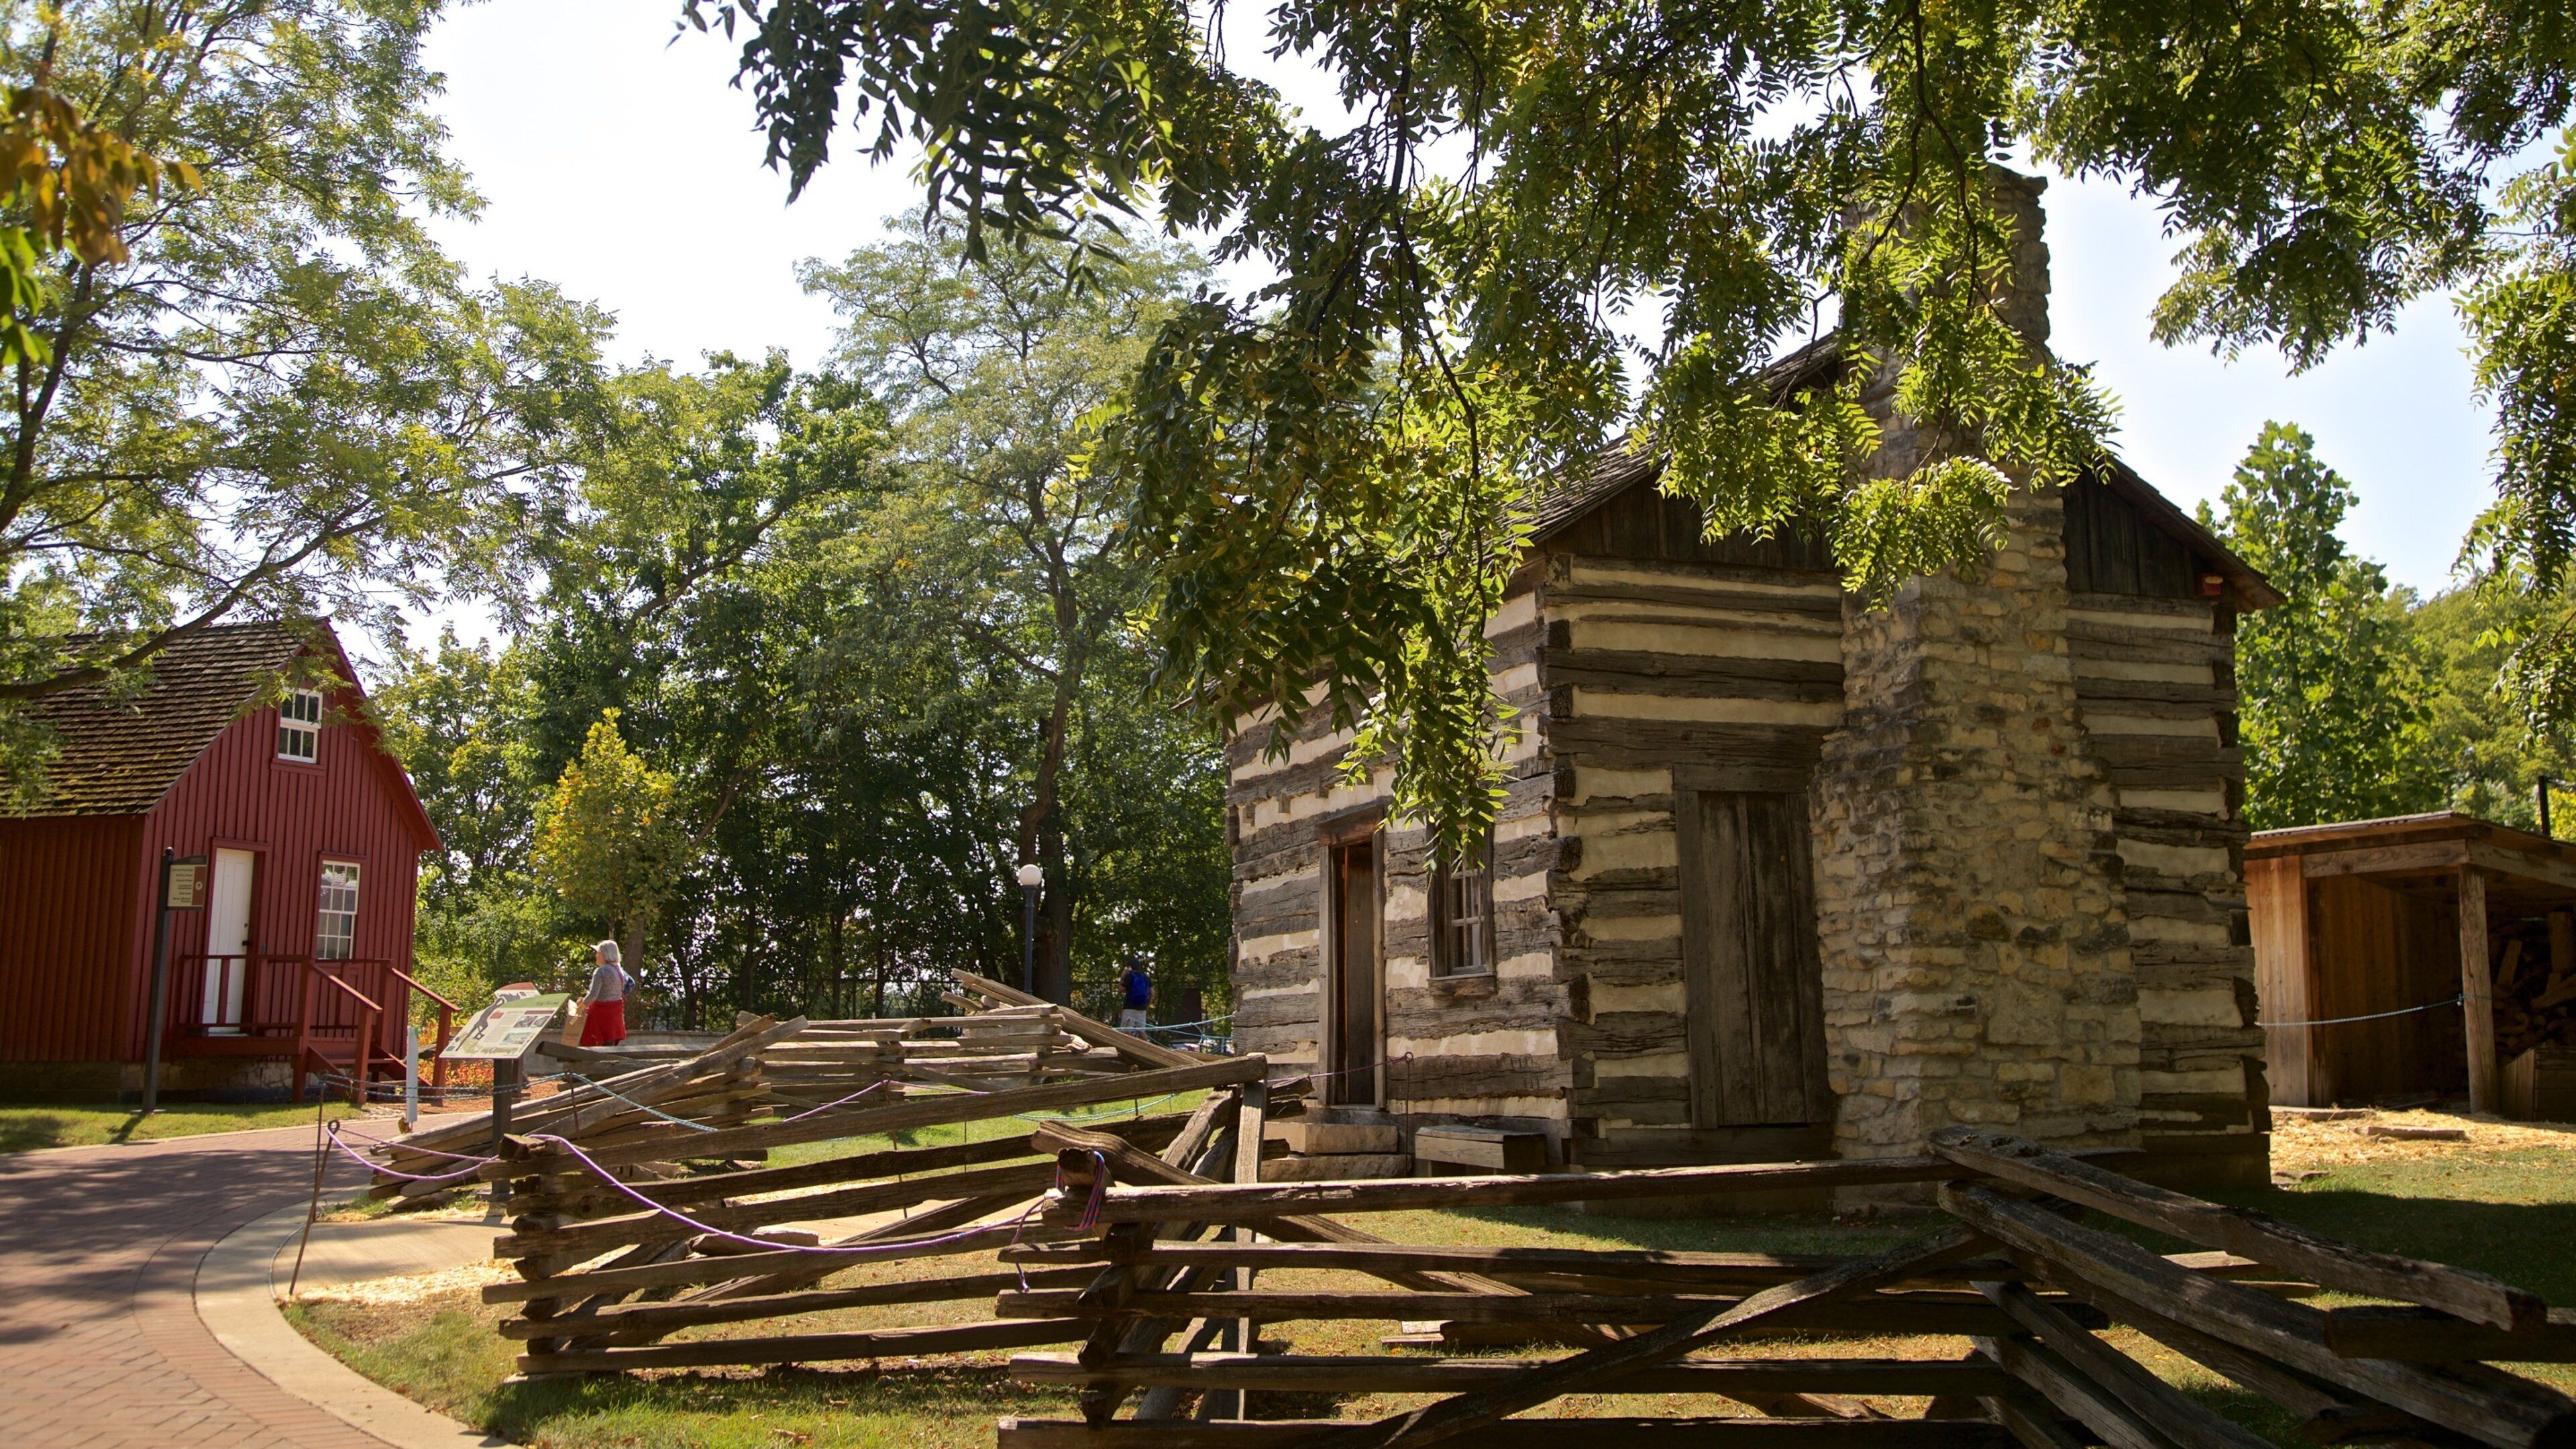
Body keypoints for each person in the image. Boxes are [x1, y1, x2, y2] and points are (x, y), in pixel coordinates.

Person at [580, 939, 632, 1046]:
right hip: (614, 1018)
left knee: (593, 1048)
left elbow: (593, 995)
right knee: (609, 1050)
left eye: (597, 953)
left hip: (600, 1018)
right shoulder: (620, 971)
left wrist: (581, 1007)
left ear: (603, 955)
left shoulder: (601, 971)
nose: (596, 956)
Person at [1116, 957, 1152, 1030]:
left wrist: (1123, 977)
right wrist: (1146, 1005)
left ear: (1130, 967)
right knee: (1141, 1031)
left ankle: (1126, 1042)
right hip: (1142, 1009)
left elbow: (1120, 990)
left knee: (1126, 1031)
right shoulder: (1146, 978)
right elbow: (1153, 994)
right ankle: (1145, 1042)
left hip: (1129, 1008)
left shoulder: (1129, 977)